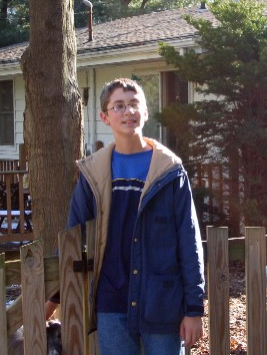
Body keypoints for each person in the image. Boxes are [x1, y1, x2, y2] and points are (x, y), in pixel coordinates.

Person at [53, 78, 205, 355]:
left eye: (134, 105)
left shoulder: (169, 171)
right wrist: (52, 298)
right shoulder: (93, 174)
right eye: (118, 106)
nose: (127, 112)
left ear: (145, 112)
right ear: (105, 117)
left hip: (162, 302)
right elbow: (72, 238)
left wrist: (194, 309)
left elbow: (189, 241)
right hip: (111, 303)